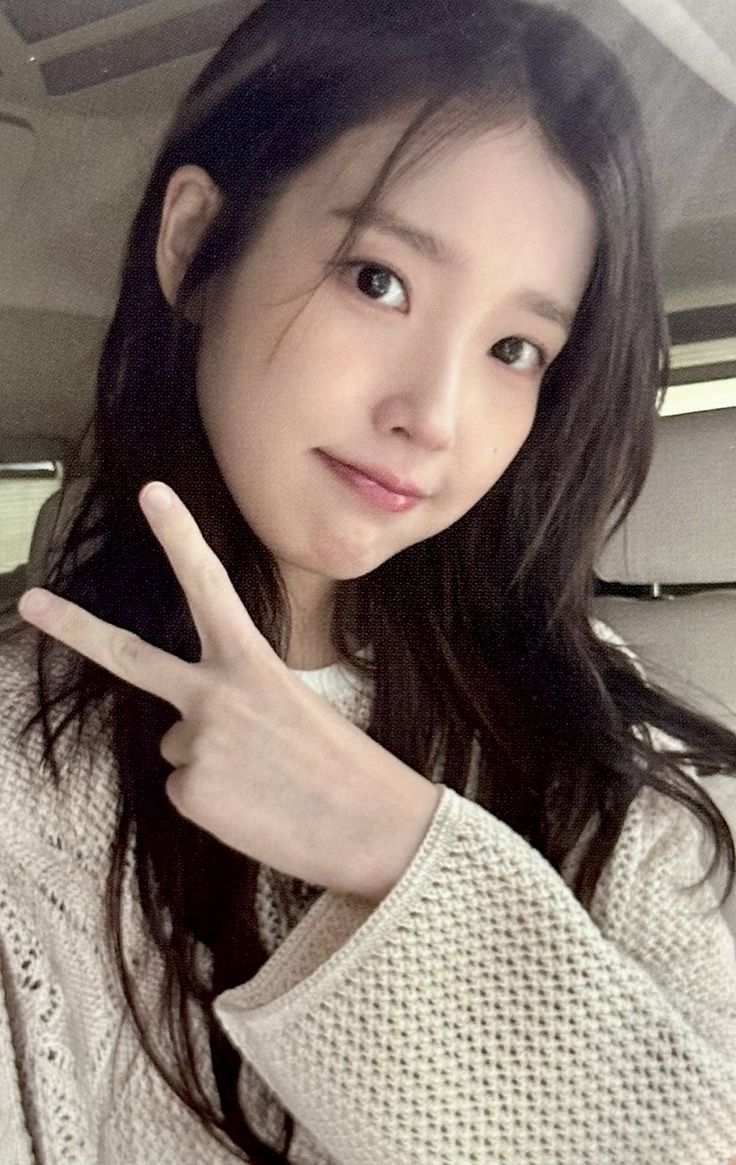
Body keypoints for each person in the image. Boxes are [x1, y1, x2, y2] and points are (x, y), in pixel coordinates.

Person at [1, 0, 735, 1161]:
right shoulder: (23, 767)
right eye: (377, 279)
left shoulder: (586, 724)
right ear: (195, 245)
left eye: (513, 350)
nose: (433, 416)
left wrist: (400, 856)